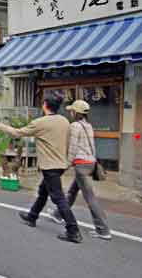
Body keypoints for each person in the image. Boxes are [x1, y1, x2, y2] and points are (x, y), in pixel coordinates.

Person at [0, 95, 82, 243]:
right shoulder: (64, 121)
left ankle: (73, 230)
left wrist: (2, 126)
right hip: (60, 164)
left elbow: (18, 133)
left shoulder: (41, 122)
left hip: (49, 166)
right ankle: (32, 216)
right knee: (43, 191)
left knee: (58, 198)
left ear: (45, 105)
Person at [48, 100, 112, 241]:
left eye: (71, 111)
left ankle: (103, 230)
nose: (70, 112)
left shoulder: (75, 126)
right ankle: (58, 214)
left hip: (81, 165)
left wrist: (67, 164)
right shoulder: (88, 126)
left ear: (75, 113)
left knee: (90, 198)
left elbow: (73, 147)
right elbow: (92, 146)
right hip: (90, 163)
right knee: (72, 191)